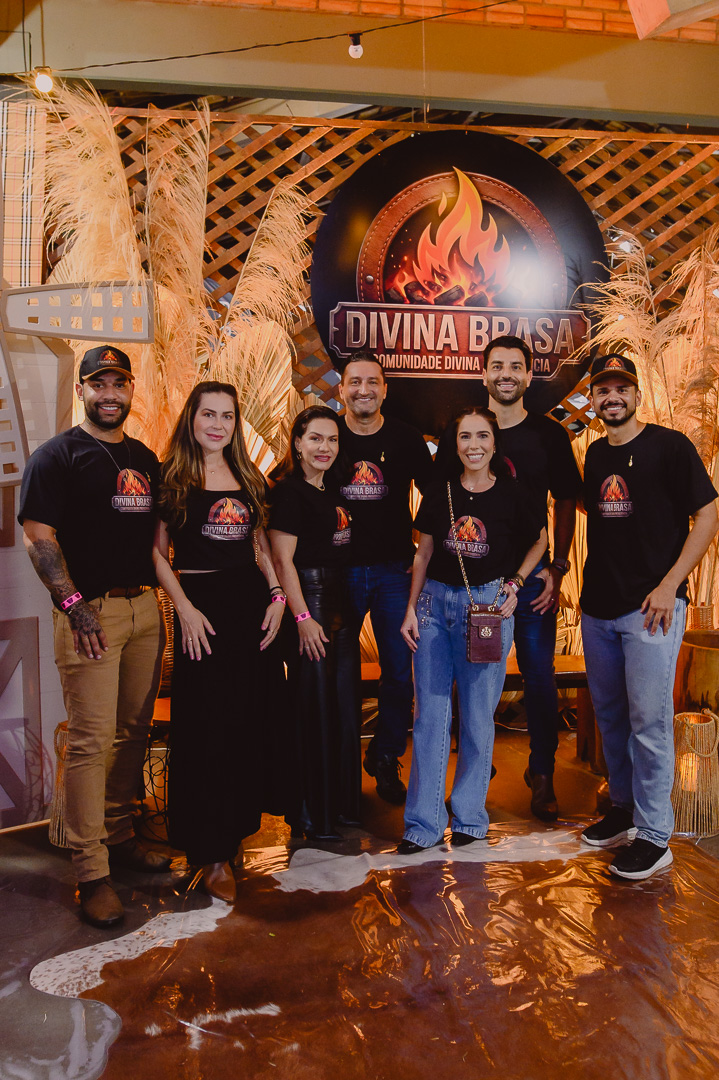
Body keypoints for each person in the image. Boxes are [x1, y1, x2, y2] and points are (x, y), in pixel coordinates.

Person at [19, 345, 170, 930]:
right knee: (90, 741)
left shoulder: (144, 458)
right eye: (99, 383)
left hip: (144, 610)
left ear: (131, 390)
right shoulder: (56, 456)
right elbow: (39, 537)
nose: (110, 394)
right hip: (92, 615)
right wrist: (73, 604)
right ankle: (91, 871)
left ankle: (121, 834)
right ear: (81, 390)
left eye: (119, 383)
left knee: (132, 731)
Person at [580, 354, 718, 880]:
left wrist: (669, 585)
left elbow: (708, 514)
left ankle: (656, 835)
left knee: (649, 723)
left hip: (651, 611)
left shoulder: (670, 446)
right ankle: (623, 810)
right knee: (611, 717)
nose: (612, 397)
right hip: (598, 610)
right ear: (594, 400)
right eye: (603, 390)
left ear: (636, 396)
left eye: (622, 388)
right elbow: (602, 513)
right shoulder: (595, 454)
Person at [153, 381, 287, 904]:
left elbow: (259, 544)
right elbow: (157, 553)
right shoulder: (171, 477)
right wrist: (184, 608)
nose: (217, 424)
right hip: (201, 611)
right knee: (205, 726)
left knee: (244, 722)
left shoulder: (249, 475)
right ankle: (209, 851)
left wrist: (277, 594)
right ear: (192, 418)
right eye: (208, 414)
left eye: (227, 416)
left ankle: (233, 834)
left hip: (251, 609)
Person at [397, 407, 546, 853]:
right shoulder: (440, 491)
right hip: (434, 607)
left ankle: (469, 817)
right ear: (455, 444)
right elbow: (423, 554)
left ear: (495, 444)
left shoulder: (514, 493)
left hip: (487, 608)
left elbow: (540, 538)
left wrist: (515, 583)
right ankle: (423, 823)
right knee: (429, 716)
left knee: (479, 716)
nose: (474, 445)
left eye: (482, 436)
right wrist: (410, 608)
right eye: (465, 437)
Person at [482, 334, 582, 821]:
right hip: (479, 584)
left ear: (527, 375)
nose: (506, 374)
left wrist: (558, 567)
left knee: (540, 678)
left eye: (515, 366)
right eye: (497, 365)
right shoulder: (469, 429)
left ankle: (542, 773)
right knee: (477, 679)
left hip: (533, 582)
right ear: (484, 373)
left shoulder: (548, 435)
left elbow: (566, 499)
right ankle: (476, 772)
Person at [338, 351, 434, 804]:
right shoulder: (328, 433)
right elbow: (288, 485)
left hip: (396, 571)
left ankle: (385, 755)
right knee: (338, 674)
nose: (364, 390)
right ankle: (339, 767)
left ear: (384, 389)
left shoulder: (405, 437)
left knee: (398, 672)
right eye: (355, 382)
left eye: (372, 381)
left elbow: (437, 496)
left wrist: (421, 546)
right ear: (341, 389)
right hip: (338, 573)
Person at [269, 405, 361, 839]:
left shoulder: (334, 488)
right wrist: (302, 617)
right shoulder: (288, 492)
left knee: (343, 708)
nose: (325, 447)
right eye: (316, 438)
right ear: (298, 443)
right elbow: (281, 561)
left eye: (333, 439)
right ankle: (311, 814)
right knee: (315, 710)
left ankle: (340, 806)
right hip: (311, 602)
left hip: (341, 603)